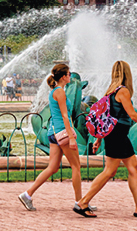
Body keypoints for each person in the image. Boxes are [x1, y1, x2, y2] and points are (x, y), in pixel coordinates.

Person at [74, 60, 137, 219]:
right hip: (117, 135)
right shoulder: (123, 91)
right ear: (127, 73)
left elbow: (106, 117)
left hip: (115, 135)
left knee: (133, 168)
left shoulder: (110, 91)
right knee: (110, 171)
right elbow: (133, 115)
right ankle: (83, 202)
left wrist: (99, 139)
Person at [18, 63, 88, 212]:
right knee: (76, 167)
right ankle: (80, 202)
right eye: (69, 74)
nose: (70, 76)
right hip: (63, 133)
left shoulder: (54, 91)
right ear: (63, 77)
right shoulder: (60, 93)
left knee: (52, 167)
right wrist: (72, 137)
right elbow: (64, 115)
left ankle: (27, 194)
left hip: (53, 133)